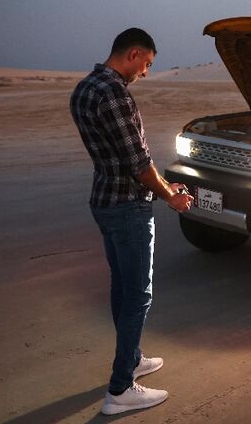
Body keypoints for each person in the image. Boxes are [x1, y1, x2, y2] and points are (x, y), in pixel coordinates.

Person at [70, 28, 193, 415]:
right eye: (147, 64)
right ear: (134, 53)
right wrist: (169, 194)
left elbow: (120, 158)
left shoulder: (85, 87)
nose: (145, 72)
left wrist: (158, 182)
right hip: (127, 206)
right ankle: (121, 388)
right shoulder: (114, 93)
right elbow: (138, 162)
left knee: (122, 287)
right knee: (138, 294)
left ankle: (132, 356)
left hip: (104, 199)